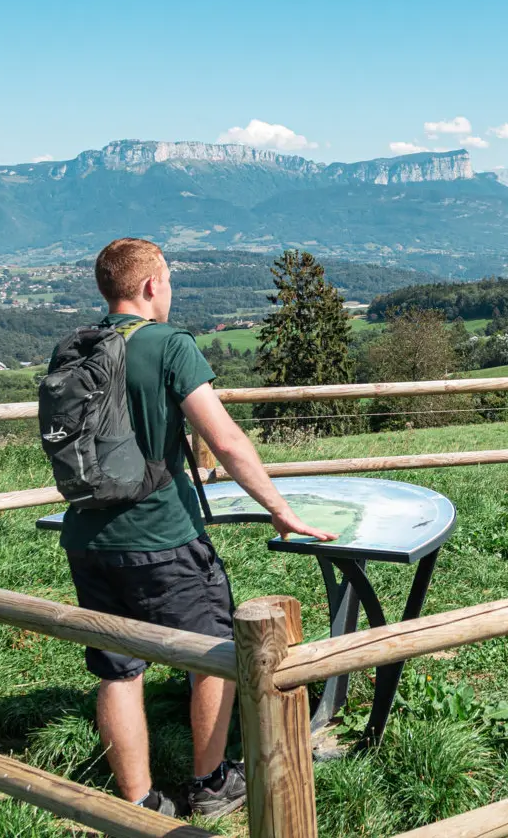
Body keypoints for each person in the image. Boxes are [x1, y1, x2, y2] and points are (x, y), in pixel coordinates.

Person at [58, 237, 332, 818]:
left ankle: (139, 802)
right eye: (169, 281)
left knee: (118, 668)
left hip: (87, 538)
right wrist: (279, 507)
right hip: (161, 536)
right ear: (152, 285)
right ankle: (210, 785)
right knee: (216, 650)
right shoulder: (168, 345)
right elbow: (226, 438)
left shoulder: (76, 348)